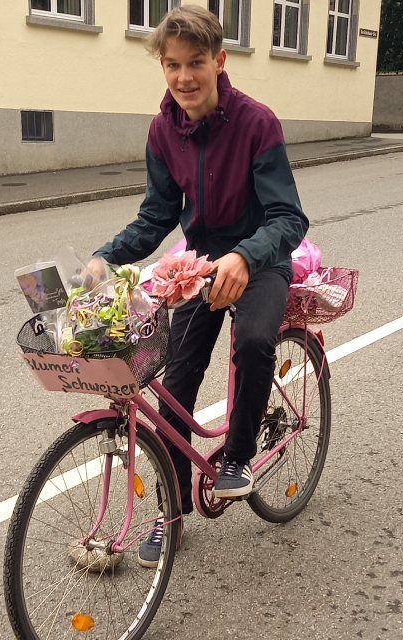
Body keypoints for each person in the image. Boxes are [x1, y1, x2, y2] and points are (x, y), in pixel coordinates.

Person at [89, 5, 308, 567]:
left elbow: (288, 217)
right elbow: (157, 215)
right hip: (201, 264)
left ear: (219, 61)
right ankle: (171, 513)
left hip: (260, 259)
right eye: (172, 65)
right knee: (173, 381)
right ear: (162, 67)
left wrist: (246, 255)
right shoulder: (163, 129)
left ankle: (237, 456)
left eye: (195, 63)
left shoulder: (257, 122)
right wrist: (106, 258)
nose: (184, 77)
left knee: (255, 341)